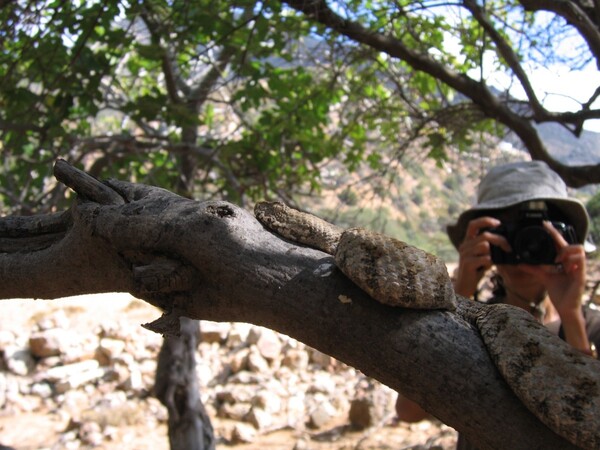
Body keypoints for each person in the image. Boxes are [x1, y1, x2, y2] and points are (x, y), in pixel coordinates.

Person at [394, 160, 600, 447]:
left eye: (537, 233)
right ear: (482, 240)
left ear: (562, 239)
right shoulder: (472, 325)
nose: (524, 246)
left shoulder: (593, 328)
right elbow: (408, 411)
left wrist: (571, 316)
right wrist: (457, 297)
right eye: (508, 234)